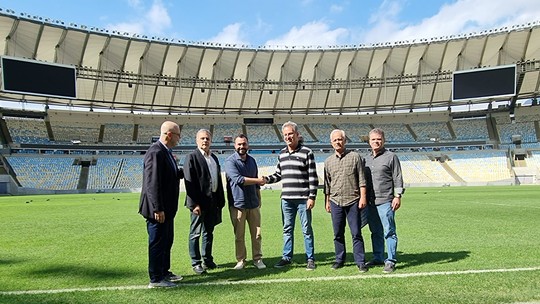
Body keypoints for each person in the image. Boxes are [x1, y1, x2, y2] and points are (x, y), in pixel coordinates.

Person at [264, 121, 318, 270]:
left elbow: (313, 177)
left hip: (302, 198)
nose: (288, 137)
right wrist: (266, 179)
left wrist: (311, 197)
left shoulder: (307, 152)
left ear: (297, 135)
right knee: (287, 229)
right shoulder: (281, 154)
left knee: (306, 230)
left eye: (291, 134)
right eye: (286, 135)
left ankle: (310, 258)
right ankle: (286, 257)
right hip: (286, 199)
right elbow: (278, 174)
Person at [138, 121, 184, 288]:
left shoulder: (166, 152)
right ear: (169, 135)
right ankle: (156, 278)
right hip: (158, 210)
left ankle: (164, 271)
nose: (179, 139)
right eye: (178, 135)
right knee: (157, 242)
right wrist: (158, 207)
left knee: (166, 241)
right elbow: (152, 183)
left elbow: (171, 175)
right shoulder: (156, 152)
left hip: (167, 209)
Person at [324, 129, 369, 273]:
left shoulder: (355, 157)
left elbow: (362, 179)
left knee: (356, 232)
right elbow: (327, 185)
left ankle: (360, 261)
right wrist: (327, 201)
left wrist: (363, 197)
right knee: (337, 233)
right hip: (335, 201)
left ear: (345, 140)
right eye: (335, 140)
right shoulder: (328, 162)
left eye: (340, 139)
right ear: (331, 143)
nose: (338, 142)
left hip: (353, 200)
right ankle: (339, 259)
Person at [183, 129, 225, 275]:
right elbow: (189, 182)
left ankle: (207, 259)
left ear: (211, 140)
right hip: (198, 203)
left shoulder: (214, 158)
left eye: (207, 138)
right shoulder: (191, 157)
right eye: (202, 138)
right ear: (197, 140)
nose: (205, 141)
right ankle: (196, 262)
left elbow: (217, 180)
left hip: (212, 201)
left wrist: (220, 200)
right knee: (195, 233)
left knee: (209, 232)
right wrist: (194, 203)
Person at [364, 128, 404, 274]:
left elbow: (397, 177)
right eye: (373, 139)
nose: (376, 141)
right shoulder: (366, 159)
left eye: (379, 139)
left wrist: (398, 196)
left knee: (389, 231)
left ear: (383, 140)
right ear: (369, 142)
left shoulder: (391, 157)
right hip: (370, 202)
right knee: (375, 231)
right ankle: (378, 257)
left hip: (386, 200)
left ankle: (391, 260)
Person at [224, 134, 267, 270]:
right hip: (238, 205)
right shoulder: (230, 162)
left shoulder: (252, 161)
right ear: (235, 146)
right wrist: (259, 180)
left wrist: (259, 197)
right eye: (239, 144)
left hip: (253, 203)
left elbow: (255, 182)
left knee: (257, 234)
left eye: (244, 144)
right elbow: (239, 180)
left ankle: (257, 258)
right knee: (239, 236)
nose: (242, 146)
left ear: (248, 145)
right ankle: (241, 260)